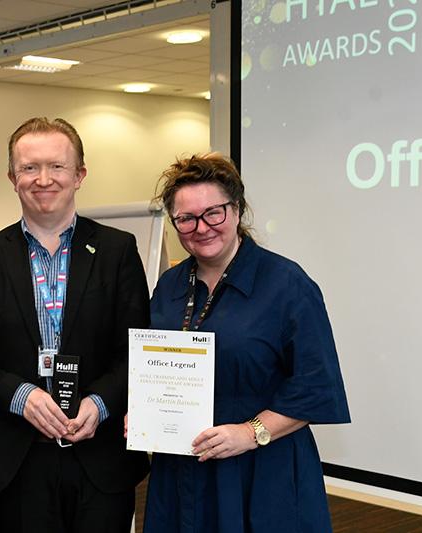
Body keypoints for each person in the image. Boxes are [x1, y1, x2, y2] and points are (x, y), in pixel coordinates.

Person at [0, 117, 150, 532]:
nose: (44, 179)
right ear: (12, 177)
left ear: (80, 175)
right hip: (19, 457)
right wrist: (22, 396)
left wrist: (100, 403)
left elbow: (136, 351)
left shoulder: (117, 250)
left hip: (100, 452)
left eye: (57, 166)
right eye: (29, 167)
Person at [142, 153, 350, 532]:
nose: (201, 227)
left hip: (262, 471)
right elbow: (153, 363)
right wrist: (142, 410)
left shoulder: (287, 285)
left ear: (236, 209)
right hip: (183, 472)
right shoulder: (170, 287)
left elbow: (316, 387)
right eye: (186, 219)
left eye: (213, 213)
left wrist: (249, 433)